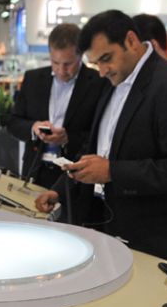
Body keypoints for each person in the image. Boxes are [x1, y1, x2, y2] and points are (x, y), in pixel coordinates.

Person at [35, 10, 167, 266]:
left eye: (106, 58)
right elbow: (97, 147)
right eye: (96, 64)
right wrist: (61, 190)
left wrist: (112, 172)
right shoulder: (114, 81)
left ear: (131, 41)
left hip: (159, 239)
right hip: (111, 229)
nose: (102, 71)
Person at [7, 23, 107, 189]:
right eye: (55, 62)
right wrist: (34, 127)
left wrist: (68, 138)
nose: (61, 70)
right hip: (35, 171)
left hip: (76, 176)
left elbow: (101, 134)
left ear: (81, 55)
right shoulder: (32, 79)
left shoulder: (99, 82)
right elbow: (13, 123)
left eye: (68, 64)